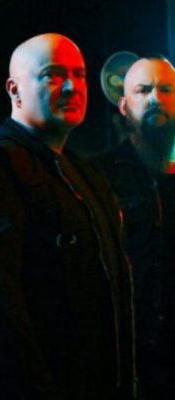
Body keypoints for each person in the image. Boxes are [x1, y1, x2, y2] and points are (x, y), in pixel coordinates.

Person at [0, 33, 136, 399]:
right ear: (14, 89)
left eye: (79, 74)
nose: (71, 86)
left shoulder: (83, 171)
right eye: (52, 75)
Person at [96, 56, 175, 399]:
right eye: (144, 90)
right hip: (128, 354)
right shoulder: (99, 175)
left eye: (166, 89)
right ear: (124, 106)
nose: (156, 98)